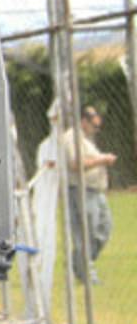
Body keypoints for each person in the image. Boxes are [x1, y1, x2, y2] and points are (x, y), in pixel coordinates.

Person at [61, 105, 116, 284]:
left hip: (96, 191)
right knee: (86, 233)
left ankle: (79, 262)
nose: (96, 129)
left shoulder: (86, 139)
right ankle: (87, 274)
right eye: (94, 125)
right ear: (84, 121)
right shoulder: (71, 137)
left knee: (105, 228)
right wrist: (102, 159)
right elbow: (75, 164)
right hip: (81, 190)